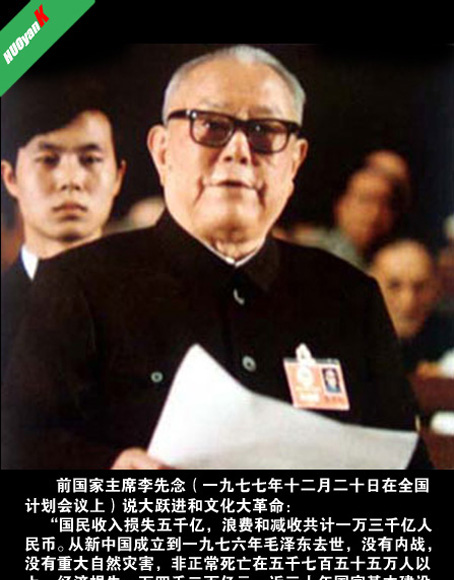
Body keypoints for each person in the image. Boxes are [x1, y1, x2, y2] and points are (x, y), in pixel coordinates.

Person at [1, 45, 428, 470]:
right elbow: (20, 447)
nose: (239, 150)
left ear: (294, 163)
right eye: (210, 125)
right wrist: (111, 469)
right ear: (162, 152)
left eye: (265, 131)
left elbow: (408, 466)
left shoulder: (351, 299)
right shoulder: (77, 286)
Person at [1, 87, 126, 380]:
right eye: (48, 159)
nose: (70, 180)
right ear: (11, 178)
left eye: (90, 159)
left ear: (118, 177)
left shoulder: (155, 307)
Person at [369, 238, 454, 373]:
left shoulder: (449, 336)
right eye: (394, 286)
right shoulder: (346, 340)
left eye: (420, 287)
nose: (408, 301)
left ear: (436, 288)